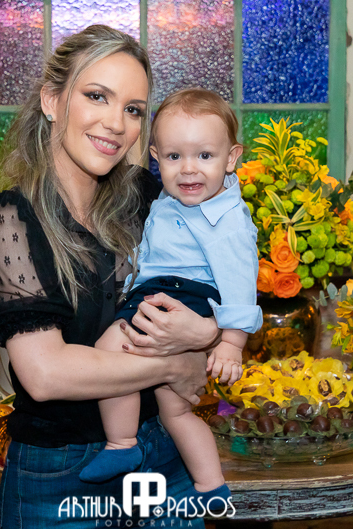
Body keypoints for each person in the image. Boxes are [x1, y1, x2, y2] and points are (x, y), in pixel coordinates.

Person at [0, 26, 219, 529]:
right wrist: (174, 365)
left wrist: (208, 335)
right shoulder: (8, 217)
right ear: (51, 100)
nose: (116, 124)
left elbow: (213, 290)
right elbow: (46, 375)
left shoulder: (148, 198)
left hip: (164, 451)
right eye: (97, 96)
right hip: (60, 475)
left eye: (133, 109)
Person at [78, 89, 261, 506]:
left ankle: (121, 443)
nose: (189, 169)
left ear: (231, 158)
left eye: (205, 156)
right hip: (162, 291)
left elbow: (240, 282)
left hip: (183, 294)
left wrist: (232, 343)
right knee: (175, 410)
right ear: (156, 158)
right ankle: (211, 485)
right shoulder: (170, 200)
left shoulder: (228, 219)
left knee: (110, 351)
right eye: (175, 157)